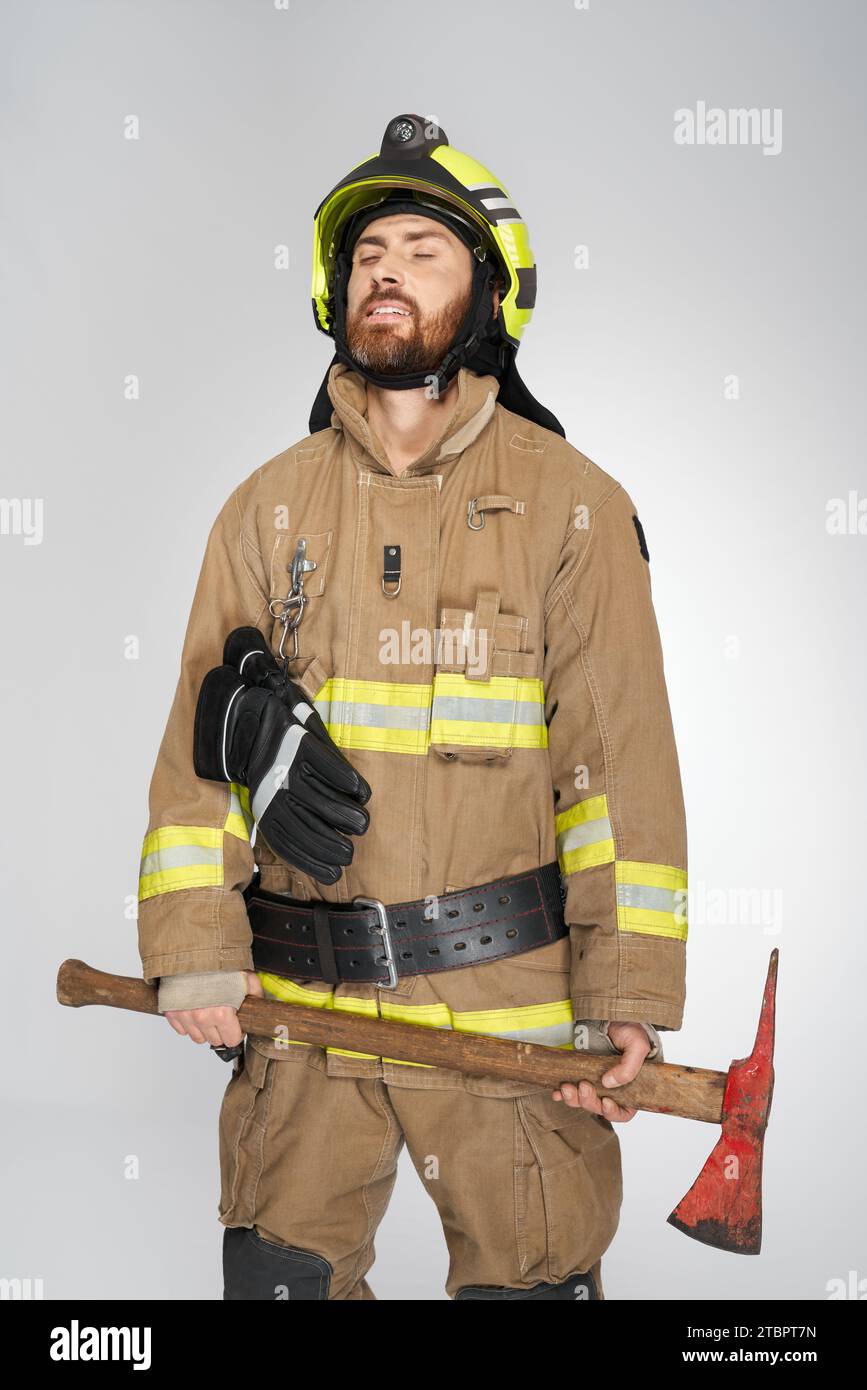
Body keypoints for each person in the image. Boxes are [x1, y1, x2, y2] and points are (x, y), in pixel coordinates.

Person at [137, 113, 688, 1301]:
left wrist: (630, 1000)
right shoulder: (265, 508)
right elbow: (197, 763)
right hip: (297, 1011)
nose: (386, 269)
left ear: (488, 296)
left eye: (422, 250)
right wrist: (194, 952)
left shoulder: (574, 506)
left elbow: (619, 768)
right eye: (368, 252)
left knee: (531, 1279)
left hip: (511, 1012)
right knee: (279, 1276)